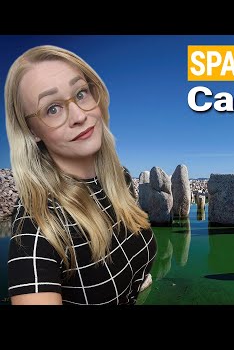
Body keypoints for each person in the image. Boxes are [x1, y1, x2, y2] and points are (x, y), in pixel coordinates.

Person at [4, 45, 157, 305]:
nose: (79, 115)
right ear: (32, 132)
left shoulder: (121, 178)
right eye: (52, 109)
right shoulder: (36, 227)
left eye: (81, 93)